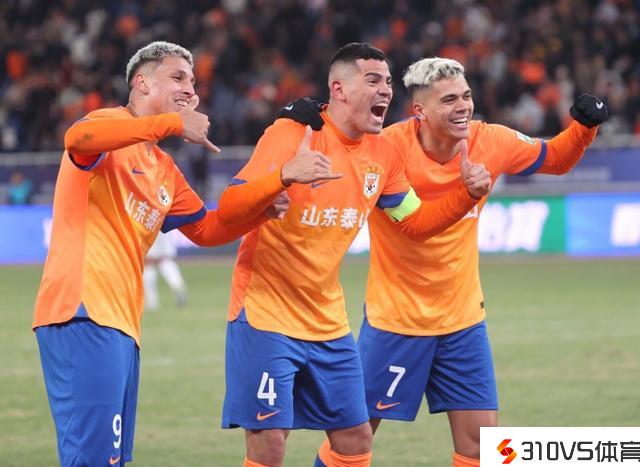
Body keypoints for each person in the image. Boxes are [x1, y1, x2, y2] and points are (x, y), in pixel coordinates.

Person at [278, 57, 608, 467]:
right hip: (395, 322)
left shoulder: (491, 140)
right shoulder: (386, 149)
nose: (463, 106)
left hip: (463, 323)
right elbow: (340, 156)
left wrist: (584, 126)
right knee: (352, 441)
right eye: (449, 100)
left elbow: (555, 158)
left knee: (482, 447)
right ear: (419, 110)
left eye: (466, 96)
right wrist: (303, 125)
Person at [214, 43, 492, 467]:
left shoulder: (383, 155)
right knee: (269, 442)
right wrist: (282, 176)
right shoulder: (293, 134)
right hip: (266, 315)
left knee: (355, 438)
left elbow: (415, 223)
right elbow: (229, 208)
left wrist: (465, 195)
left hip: (328, 322)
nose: (385, 90)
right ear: (338, 89)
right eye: (373, 80)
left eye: (388, 82)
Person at [31, 40, 295, 467]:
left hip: (120, 322)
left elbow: (206, 230)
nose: (190, 88)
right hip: (81, 311)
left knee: (110, 458)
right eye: (177, 77)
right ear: (141, 83)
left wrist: (261, 210)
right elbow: (77, 137)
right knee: (92, 458)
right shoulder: (111, 124)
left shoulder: (163, 169)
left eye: (192, 82)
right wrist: (171, 123)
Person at [143, 232, 187, 310]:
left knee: (148, 263)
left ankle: (152, 301)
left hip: (149, 228)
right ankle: (177, 284)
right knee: (165, 259)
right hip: (164, 228)